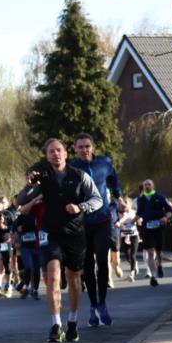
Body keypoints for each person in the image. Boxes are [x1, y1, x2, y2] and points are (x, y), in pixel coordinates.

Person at [17, 138, 102, 343]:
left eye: (59, 150)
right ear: (47, 156)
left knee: (73, 279)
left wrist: (80, 207)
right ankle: (56, 325)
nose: (55, 154)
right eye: (51, 152)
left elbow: (97, 200)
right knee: (53, 276)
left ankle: (72, 322)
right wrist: (29, 186)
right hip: (51, 233)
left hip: (74, 234)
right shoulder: (43, 178)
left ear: (66, 153)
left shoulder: (80, 176)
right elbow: (20, 201)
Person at [71, 133, 123, 326]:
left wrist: (119, 197)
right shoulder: (73, 168)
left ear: (92, 147)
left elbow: (114, 181)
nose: (84, 150)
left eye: (87, 146)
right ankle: (93, 304)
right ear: (75, 149)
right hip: (82, 222)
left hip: (103, 219)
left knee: (102, 259)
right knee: (87, 265)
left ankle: (102, 302)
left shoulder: (105, 162)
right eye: (80, 147)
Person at [135, 179, 172, 286]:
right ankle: (152, 276)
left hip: (158, 227)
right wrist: (135, 220)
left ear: (153, 186)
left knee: (158, 251)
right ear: (143, 187)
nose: (147, 186)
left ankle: (160, 265)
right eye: (145, 184)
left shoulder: (160, 197)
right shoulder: (141, 199)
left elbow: (170, 210)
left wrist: (165, 217)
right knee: (150, 252)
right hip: (146, 228)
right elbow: (139, 213)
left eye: (149, 184)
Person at [13, 201, 42, 300]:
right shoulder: (20, 218)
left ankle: (35, 289)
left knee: (37, 269)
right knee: (28, 267)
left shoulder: (35, 215)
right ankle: (26, 286)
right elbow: (16, 230)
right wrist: (16, 241)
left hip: (36, 245)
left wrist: (25, 228)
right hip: (25, 246)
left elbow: (38, 227)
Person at [115, 198, 140, 282]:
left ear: (130, 204)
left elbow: (140, 220)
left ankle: (132, 274)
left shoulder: (134, 212)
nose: (124, 204)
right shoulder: (119, 213)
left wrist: (140, 220)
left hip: (134, 236)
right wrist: (118, 223)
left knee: (133, 255)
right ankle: (135, 264)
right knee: (127, 256)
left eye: (126, 202)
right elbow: (122, 219)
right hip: (125, 237)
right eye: (123, 202)